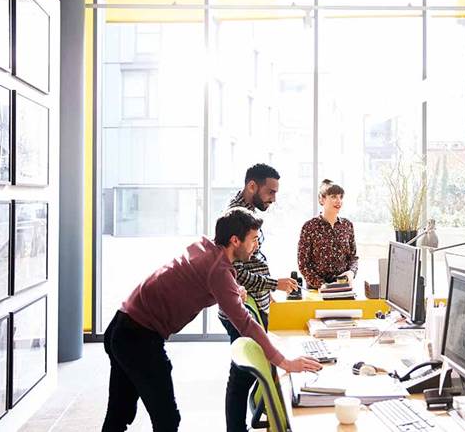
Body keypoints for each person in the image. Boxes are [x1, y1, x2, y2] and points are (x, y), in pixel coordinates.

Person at [102, 207, 321, 432]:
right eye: (254, 239)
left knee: (119, 413)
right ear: (235, 240)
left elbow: (206, 276)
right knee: (166, 419)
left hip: (122, 325)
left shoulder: (207, 248)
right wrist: (284, 362)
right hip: (138, 337)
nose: (256, 245)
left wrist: (234, 288)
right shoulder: (218, 271)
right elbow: (244, 322)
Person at [219, 163, 299, 432]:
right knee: (240, 375)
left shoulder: (248, 211)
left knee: (245, 372)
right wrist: (273, 284)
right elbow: (237, 272)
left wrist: (267, 291)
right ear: (252, 186)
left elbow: (253, 261)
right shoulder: (235, 215)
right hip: (240, 305)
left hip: (254, 300)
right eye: (270, 192)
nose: (273, 199)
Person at [298, 179, 359, 289]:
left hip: (344, 288)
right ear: (322, 199)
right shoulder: (309, 227)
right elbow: (303, 264)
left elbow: (353, 257)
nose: (338, 201)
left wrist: (351, 272)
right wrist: (322, 285)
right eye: (334, 197)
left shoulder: (347, 225)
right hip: (317, 291)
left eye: (341, 197)